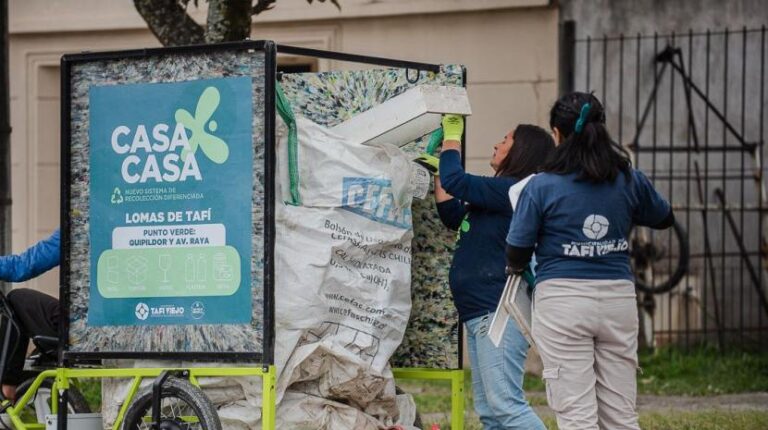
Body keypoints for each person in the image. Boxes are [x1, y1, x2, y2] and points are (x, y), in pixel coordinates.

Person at [505, 92, 674, 430]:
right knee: (621, 415)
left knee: (577, 416)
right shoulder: (628, 179)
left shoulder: (541, 187)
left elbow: (516, 250)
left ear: (556, 135)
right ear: (601, 129)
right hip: (617, 300)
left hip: (562, 303)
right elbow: (663, 216)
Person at [417, 115, 555, 429]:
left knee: (506, 406)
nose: (496, 144)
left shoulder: (513, 191)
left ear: (522, 152)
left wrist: (453, 139)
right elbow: (454, 215)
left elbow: (459, 182)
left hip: (498, 310)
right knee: (491, 412)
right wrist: (442, 170)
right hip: (481, 311)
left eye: (505, 140)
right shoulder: (497, 198)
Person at [0, 229, 61, 401]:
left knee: (16, 299)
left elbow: (23, 266)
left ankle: (6, 390)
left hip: (79, 328)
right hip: (120, 327)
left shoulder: (77, 227)